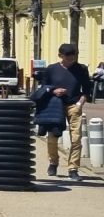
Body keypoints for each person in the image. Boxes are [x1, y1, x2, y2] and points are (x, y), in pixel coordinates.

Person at [35, 43, 94, 178]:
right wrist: (54, 90)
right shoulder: (51, 69)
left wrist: (80, 103)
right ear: (61, 56)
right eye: (68, 55)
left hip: (74, 104)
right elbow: (44, 87)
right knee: (52, 136)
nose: (72, 58)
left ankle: (73, 168)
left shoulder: (81, 69)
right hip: (55, 105)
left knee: (76, 138)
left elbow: (87, 89)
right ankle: (53, 162)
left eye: (74, 55)